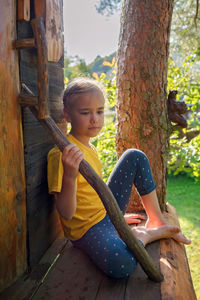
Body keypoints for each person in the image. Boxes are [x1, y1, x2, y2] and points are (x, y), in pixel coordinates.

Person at [47, 77, 191, 279]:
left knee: (134, 156)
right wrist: (70, 175)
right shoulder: (62, 155)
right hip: (87, 231)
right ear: (67, 115)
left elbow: (92, 193)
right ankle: (145, 235)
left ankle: (156, 221)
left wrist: (116, 217)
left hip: (106, 212)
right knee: (121, 264)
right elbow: (67, 213)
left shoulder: (89, 148)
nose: (95, 119)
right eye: (85, 113)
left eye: (99, 111)